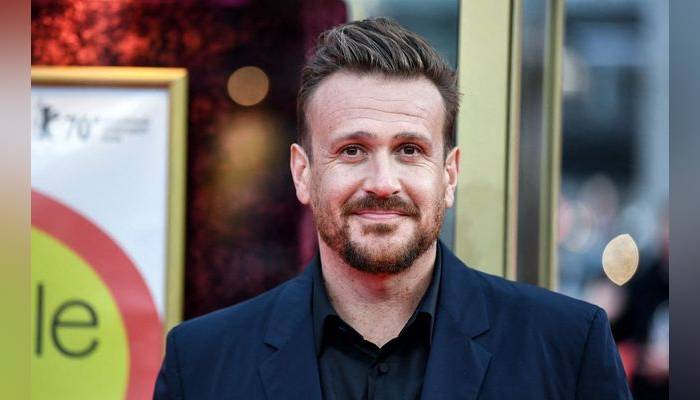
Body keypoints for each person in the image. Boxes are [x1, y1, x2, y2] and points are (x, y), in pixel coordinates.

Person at [154, 18, 631, 399]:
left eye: (409, 150)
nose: (382, 184)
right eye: (352, 151)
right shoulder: (200, 363)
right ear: (302, 173)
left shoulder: (568, 347)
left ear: (449, 174)